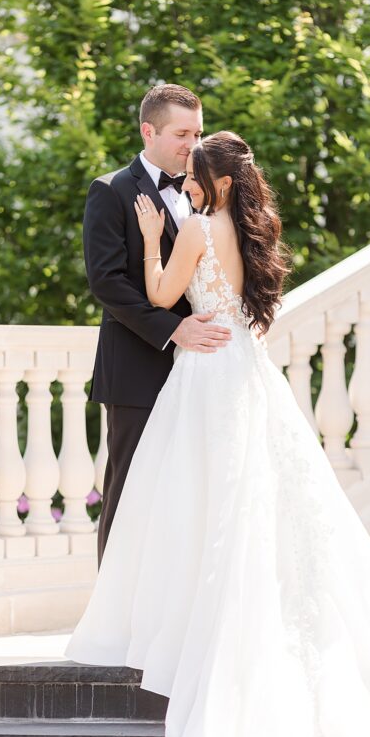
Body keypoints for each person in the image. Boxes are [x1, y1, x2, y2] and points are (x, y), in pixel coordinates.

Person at [66, 131, 370, 737]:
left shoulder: (191, 230)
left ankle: (199, 621)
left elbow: (161, 294)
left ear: (218, 182)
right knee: (255, 493)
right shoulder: (253, 230)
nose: (185, 184)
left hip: (206, 370)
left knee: (201, 497)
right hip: (244, 362)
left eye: (195, 175)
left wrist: (154, 242)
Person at [83, 83, 232, 565]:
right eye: (182, 133)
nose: (194, 143)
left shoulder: (207, 195)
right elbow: (106, 282)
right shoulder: (110, 191)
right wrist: (173, 329)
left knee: (187, 501)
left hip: (201, 374)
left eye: (199, 132)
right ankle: (114, 624)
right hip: (136, 372)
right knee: (129, 495)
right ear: (149, 131)